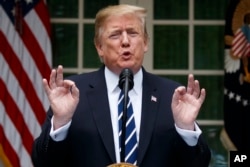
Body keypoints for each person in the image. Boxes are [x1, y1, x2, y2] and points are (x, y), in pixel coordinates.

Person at [32, 4, 211, 167]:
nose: (125, 41)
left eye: (133, 33)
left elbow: (200, 164)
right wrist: (61, 122)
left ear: (146, 42)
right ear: (99, 47)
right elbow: (42, 163)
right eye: (115, 34)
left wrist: (186, 130)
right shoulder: (72, 94)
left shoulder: (172, 96)